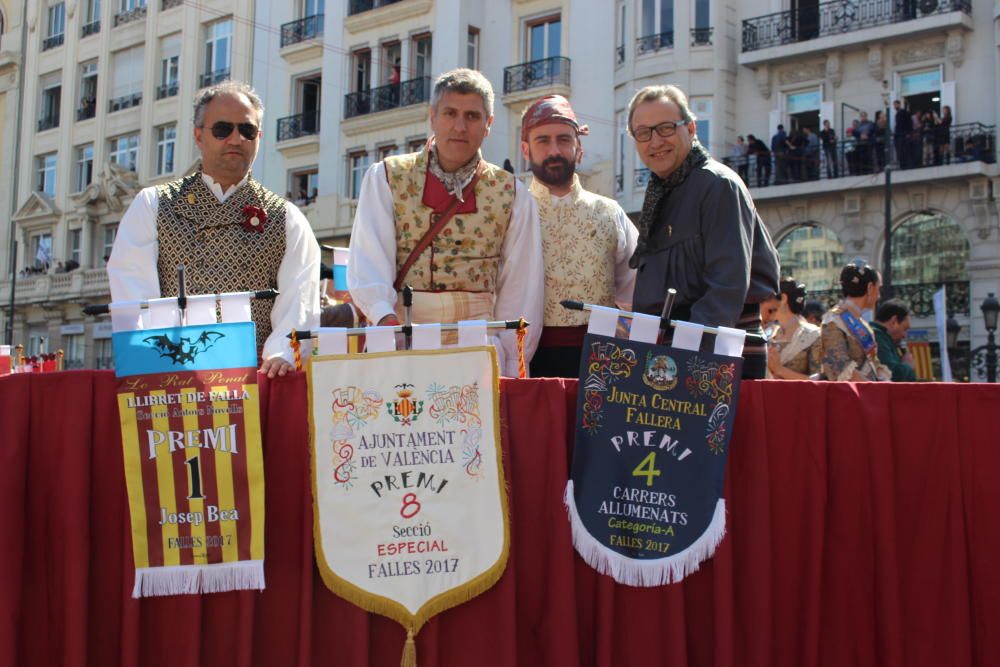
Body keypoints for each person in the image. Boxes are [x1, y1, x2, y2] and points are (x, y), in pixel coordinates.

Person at [108, 80, 320, 378]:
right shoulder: (153, 205)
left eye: (246, 131)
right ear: (198, 136)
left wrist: (282, 354)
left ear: (259, 137)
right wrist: (157, 358)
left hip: (256, 378)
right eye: (223, 129)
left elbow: (301, 298)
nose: (235, 139)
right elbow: (133, 292)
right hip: (174, 374)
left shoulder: (287, 218)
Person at [347, 68, 544, 377]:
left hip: (478, 346)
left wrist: (513, 361)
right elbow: (368, 259)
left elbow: (521, 288)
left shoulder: (513, 193)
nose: (460, 126)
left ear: (488, 124)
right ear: (432, 117)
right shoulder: (386, 177)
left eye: (472, 116)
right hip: (402, 338)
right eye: (450, 113)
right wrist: (383, 317)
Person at [627, 84, 780, 379]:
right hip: (675, 351)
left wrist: (682, 356)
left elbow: (726, 287)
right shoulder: (662, 190)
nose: (655, 141)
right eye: (643, 133)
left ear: (692, 128)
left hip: (715, 352)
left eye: (666, 128)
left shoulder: (717, 184)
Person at [520, 95, 638, 377]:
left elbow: (636, 290)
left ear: (579, 149)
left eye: (563, 139)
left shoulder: (610, 212)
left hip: (605, 360)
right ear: (526, 150)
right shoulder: (512, 212)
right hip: (530, 359)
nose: (554, 150)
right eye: (543, 140)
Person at [819, 262, 891, 382]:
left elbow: (873, 362)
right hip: (848, 396)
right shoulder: (833, 321)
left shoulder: (860, 321)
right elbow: (839, 366)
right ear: (870, 288)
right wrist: (872, 388)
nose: (879, 296)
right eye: (879, 289)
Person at [762, 277, 822, 380]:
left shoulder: (813, 335)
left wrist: (780, 370)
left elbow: (819, 382)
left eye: (768, 298)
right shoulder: (769, 333)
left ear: (783, 299)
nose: (763, 303)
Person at [871, 299, 916, 381]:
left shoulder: (885, 338)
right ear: (894, 321)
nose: (904, 335)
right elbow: (890, 374)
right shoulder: (877, 337)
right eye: (904, 329)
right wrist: (907, 366)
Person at [893, 100, 911, 168]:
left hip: (903, 134)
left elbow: (908, 123)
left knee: (904, 150)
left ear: (899, 104)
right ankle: (902, 165)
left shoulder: (903, 112)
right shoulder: (897, 114)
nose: (895, 106)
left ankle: (906, 165)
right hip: (899, 134)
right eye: (894, 105)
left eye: (896, 105)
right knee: (900, 151)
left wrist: (908, 132)